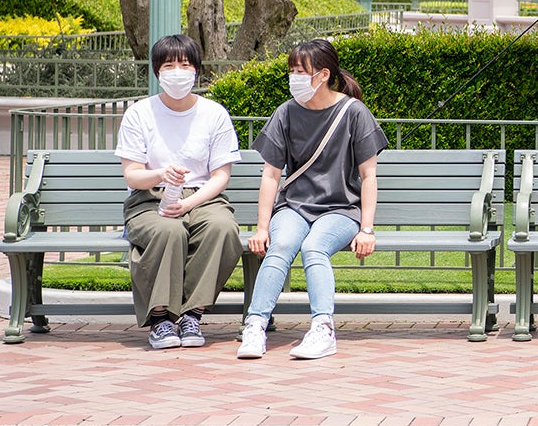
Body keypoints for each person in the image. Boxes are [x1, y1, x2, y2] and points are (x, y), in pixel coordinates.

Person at [238, 38, 388, 360]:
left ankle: (323, 329)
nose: (293, 77)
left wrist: (367, 229)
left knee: (313, 246)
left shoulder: (354, 113)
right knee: (280, 246)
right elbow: (271, 176)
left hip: (341, 210)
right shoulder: (286, 113)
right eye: (291, 70)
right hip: (294, 207)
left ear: (322, 75)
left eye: (300, 71)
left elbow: (369, 176)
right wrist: (262, 228)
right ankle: (255, 326)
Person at [114, 34, 242, 350]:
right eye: (169, 65)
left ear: (196, 70)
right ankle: (161, 319)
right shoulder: (139, 113)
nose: (177, 71)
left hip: (203, 197)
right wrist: (161, 174)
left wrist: (188, 203)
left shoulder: (214, 114)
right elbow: (132, 174)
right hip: (150, 197)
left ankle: (192, 315)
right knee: (167, 231)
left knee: (222, 228)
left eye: (185, 64)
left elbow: (220, 176)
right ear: (157, 71)